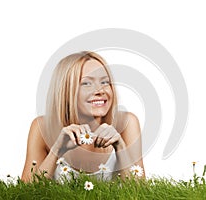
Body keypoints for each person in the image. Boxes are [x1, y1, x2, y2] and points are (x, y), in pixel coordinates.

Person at [21, 51, 144, 182]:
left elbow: (139, 192)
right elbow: (26, 192)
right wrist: (56, 150)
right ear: (66, 90)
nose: (100, 90)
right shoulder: (42, 127)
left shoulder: (127, 123)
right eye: (87, 83)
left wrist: (120, 147)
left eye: (105, 82)